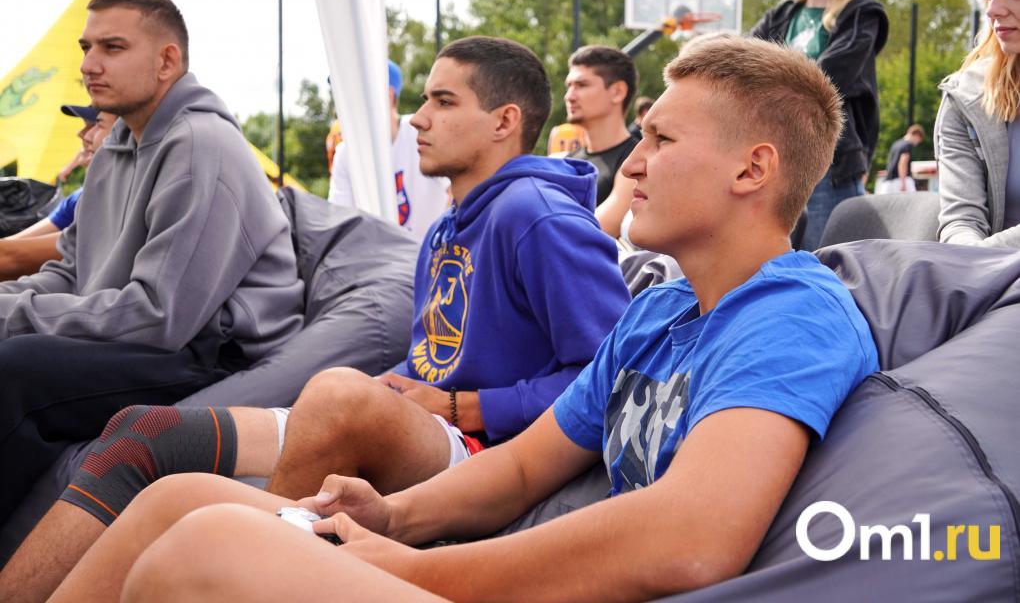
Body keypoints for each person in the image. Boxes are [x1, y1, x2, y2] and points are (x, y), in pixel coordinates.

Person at [44, 35, 879, 603]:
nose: (634, 163)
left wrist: (417, 568)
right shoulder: (661, 313)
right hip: (496, 551)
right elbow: (520, 469)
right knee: (179, 498)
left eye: (661, 140)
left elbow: (691, 540)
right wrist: (389, 518)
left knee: (213, 545)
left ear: (751, 171)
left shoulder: (791, 314)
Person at [2, 36, 630, 601]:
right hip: (429, 424)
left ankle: (245, 571)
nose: (418, 117)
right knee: (142, 433)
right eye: (424, 99)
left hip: (489, 452)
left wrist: (467, 406)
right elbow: (436, 357)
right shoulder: (448, 227)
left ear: (504, 121)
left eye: (443, 101)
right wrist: (400, 385)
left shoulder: (540, 216)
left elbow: (613, 380)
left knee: (336, 394)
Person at [0, 0, 304, 526]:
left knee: (16, 369)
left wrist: (13, 317)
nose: (89, 65)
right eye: (86, 47)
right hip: (145, 334)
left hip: (210, 351)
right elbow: (69, 272)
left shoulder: (201, 145)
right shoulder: (115, 148)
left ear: (167, 61)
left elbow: (159, 319)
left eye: (112, 47)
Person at [751, 0, 888, 250]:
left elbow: (825, 80)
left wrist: (767, 78)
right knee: (773, 265)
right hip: (774, 162)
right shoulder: (781, 16)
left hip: (830, 165)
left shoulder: (862, 14)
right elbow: (741, 68)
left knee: (827, 265)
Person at [935, 0, 1020, 248]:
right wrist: (973, 262)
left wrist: (978, 260)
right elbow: (960, 222)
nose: (993, 8)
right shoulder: (966, 99)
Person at [328, 60, 450, 241]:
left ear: (387, 95)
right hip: (377, 256)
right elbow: (339, 222)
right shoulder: (346, 154)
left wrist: (441, 242)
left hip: (431, 252)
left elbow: (457, 191)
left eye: (352, 93)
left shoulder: (421, 132)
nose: (344, 103)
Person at [0, 108, 116, 281]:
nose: (83, 135)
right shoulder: (81, 198)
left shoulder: (118, 200)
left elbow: (13, 258)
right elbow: (12, 248)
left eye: (97, 124)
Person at [564, 45, 639, 206]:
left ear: (617, 92)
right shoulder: (569, 161)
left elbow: (604, 221)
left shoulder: (636, 160)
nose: (569, 96)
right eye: (569, 86)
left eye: (582, 85)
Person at [876, 124, 924, 194]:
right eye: (918, 140)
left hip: (888, 181)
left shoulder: (896, 144)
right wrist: (903, 182)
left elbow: (892, 162)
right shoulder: (908, 145)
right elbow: (902, 163)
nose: (917, 143)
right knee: (913, 199)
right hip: (901, 179)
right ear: (916, 135)